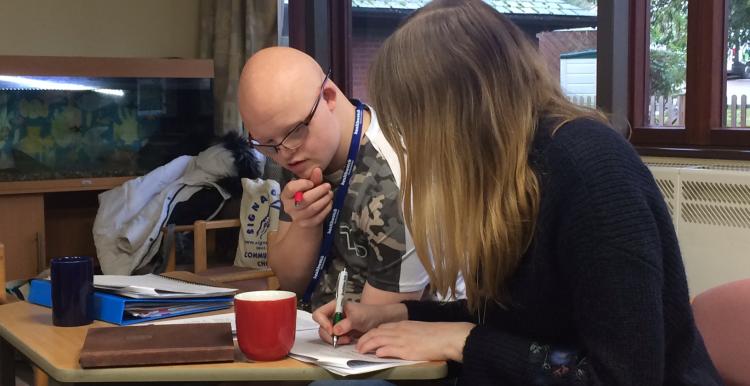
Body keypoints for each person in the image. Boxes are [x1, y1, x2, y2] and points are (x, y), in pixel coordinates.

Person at [312, 1, 723, 384]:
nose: (411, 142)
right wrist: (396, 315)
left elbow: (624, 375)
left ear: (460, 110)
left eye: (413, 123)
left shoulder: (591, 172)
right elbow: (520, 317)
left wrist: (463, 341)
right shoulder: (516, 169)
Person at [237, 47, 429, 309]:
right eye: (267, 144)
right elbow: (289, 283)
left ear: (328, 97)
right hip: (316, 330)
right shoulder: (292, 150)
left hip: (374, 338)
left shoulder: (397, 179)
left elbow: (382, 324)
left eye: (293, 132)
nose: (284, 155)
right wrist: (304, 225)